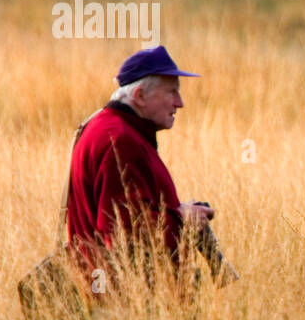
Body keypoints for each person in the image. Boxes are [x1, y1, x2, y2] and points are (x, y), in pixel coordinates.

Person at [67, 45, 216, 289]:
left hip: (115, 294)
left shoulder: (110, 128)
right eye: (172, 92)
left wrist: (177, 212)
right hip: (120, 303)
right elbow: (127, 235)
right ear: (139, 96)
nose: (180, 103)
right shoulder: (120, 141)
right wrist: (181, 218)